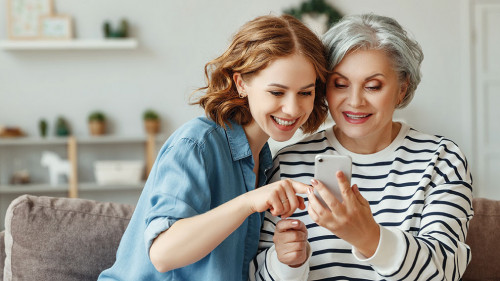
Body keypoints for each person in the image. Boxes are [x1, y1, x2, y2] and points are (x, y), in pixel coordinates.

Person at [98, 14, 329, 281]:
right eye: (277, 92)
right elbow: (163, 254)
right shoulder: (197, 144)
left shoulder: (265, 161)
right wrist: (247, 203)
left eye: (305, 92)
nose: (292, 108)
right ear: (242, 83)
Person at [251, 13, 473, 280]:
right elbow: (257, 274)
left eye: (372, 86)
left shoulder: (442, 160)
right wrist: (287, 263)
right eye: (340, 84)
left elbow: (446, 270)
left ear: (403, 88)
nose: (355, 101)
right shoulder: (288, 162)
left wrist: (368, 237)